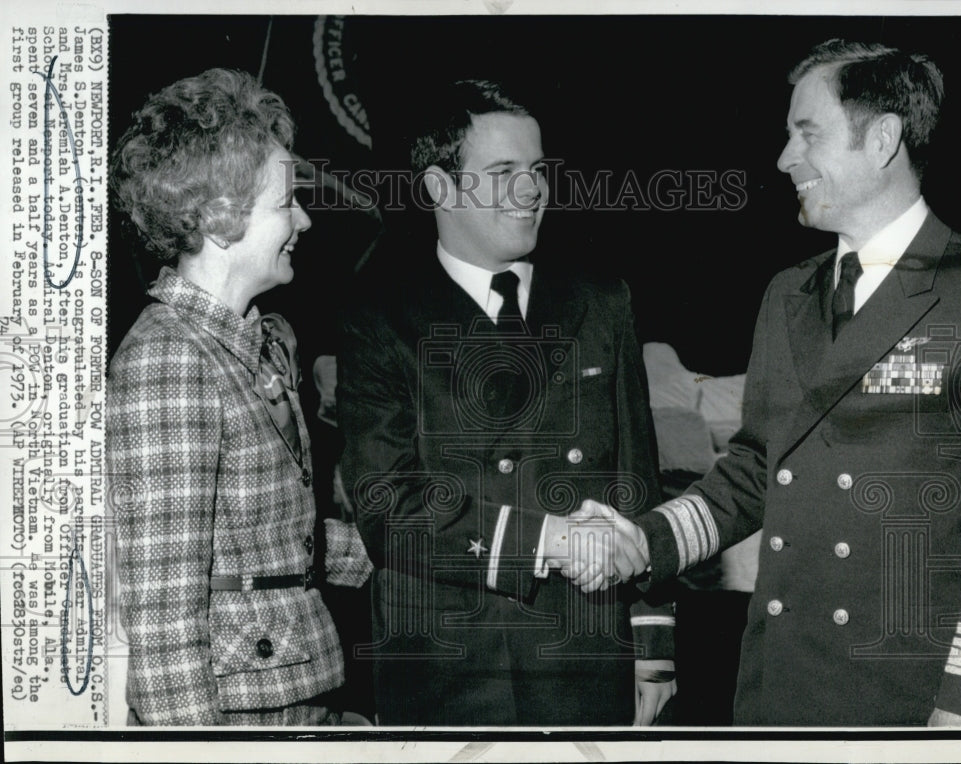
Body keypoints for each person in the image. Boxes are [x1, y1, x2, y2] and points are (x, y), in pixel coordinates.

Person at [571, 39, 961, 726]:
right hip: (781, 681)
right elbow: (757, 469)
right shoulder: (787, 294)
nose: (784, 158)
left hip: (906, 700)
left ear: (882, 138)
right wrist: (646, 540)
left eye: (806, 133)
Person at [337, 80, 676, 726]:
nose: (531, 192)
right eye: (502, 172)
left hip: (584, 663)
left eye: (537, 171)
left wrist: (655, 649)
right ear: (440, 188)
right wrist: (546, 540)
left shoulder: (601, 301)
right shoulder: (380, 317)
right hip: (447, 675)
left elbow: (638, 485)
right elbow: (390, 512)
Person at [107, 68, 346, 725]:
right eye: (284, 203)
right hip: (236, 713)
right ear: (218, 217)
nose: (303, 217)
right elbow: (162, 619)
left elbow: (259, 534)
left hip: (291, 692)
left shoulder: (255, 342)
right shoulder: (169, 360)